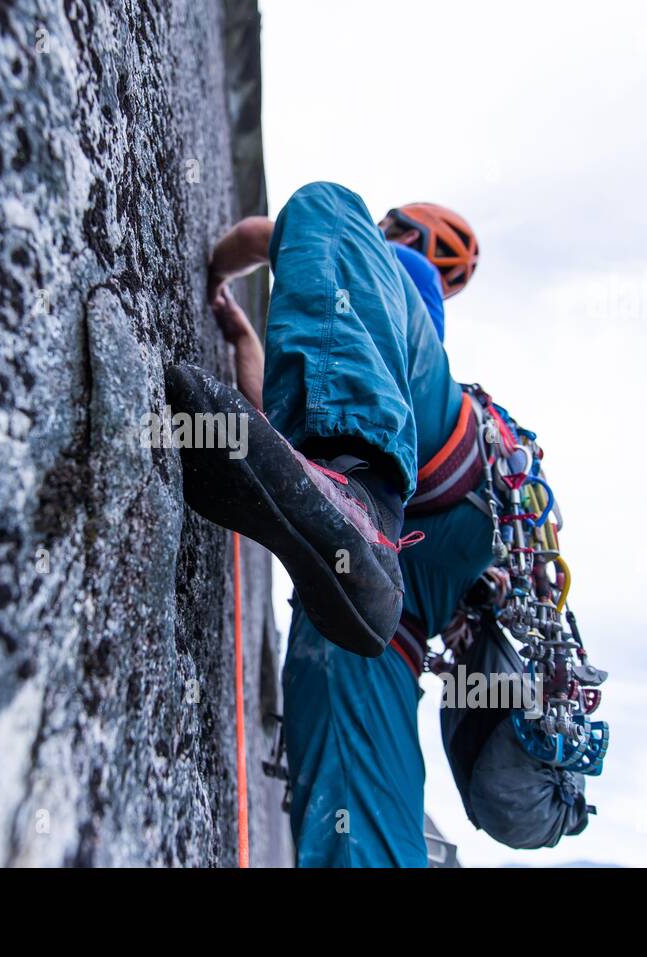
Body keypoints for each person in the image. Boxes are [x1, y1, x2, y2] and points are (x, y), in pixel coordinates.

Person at [168, 181, 496, 865]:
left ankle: (366, 505)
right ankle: (363, 515)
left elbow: (262, 232)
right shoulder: (382, 336)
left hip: (405, 502)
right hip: (414, 578)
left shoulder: (390, 266)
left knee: (323, 201)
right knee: (353, 776)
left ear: (400, 230)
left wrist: (212, 268)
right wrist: (246, 347)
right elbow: (288, 471)